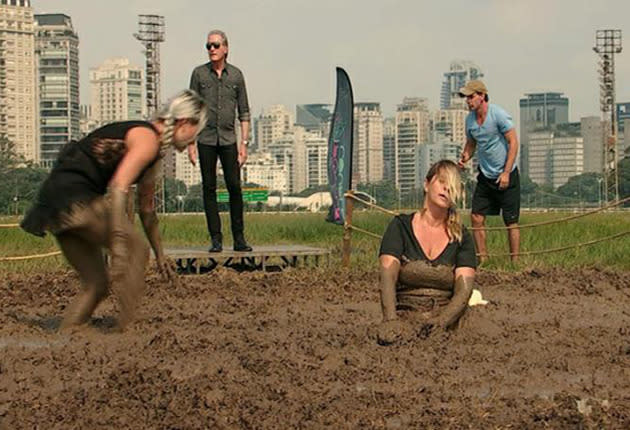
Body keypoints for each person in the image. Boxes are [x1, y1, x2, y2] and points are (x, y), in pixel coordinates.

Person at [20, 90, 208, 330]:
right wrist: (119, 246)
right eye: (196, 132)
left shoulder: (153, 153)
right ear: (184, 122)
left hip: (54, 206)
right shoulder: (147, 138)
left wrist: (161, 253)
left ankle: (65, 340)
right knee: (138, 250)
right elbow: (119, 187)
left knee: (96, 285)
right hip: (76, 198)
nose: (194, 140)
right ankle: (124, 332)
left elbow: (147, 211)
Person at [377, 160, 477, 344]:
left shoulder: (462, 237)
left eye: (452, 185)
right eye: (442, 181)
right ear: (426, 184)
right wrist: (390, 320)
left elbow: (464, 290)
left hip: (447, 318)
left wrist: (441, 323)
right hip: (406, 313)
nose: (447, 188)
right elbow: (387, 276)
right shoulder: (400, 227)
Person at [188, 29, 252, 253]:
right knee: (209, 188)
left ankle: (239, 238)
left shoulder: (236, 76)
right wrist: (190, 144)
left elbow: (244, 112)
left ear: (225, 48)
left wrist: (244, 145)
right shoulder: (198, 75)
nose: (212, 50)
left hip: (228, 141)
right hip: (205, 139)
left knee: (235, 187)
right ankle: (215, 238)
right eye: (208, 46)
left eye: (215, 45)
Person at [458, 79, 520, 262]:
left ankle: (515, 262)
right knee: (476, 217)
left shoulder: (498, 115)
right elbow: (471, 143)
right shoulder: (469, 120)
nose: (468, 101)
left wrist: (506, 172)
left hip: (507, 174)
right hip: (485, 176)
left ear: (482, 96)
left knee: (510, 221)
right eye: (466, 98)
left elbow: (513, 142)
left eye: (471, 97)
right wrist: (464, 158)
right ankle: (483, 259)